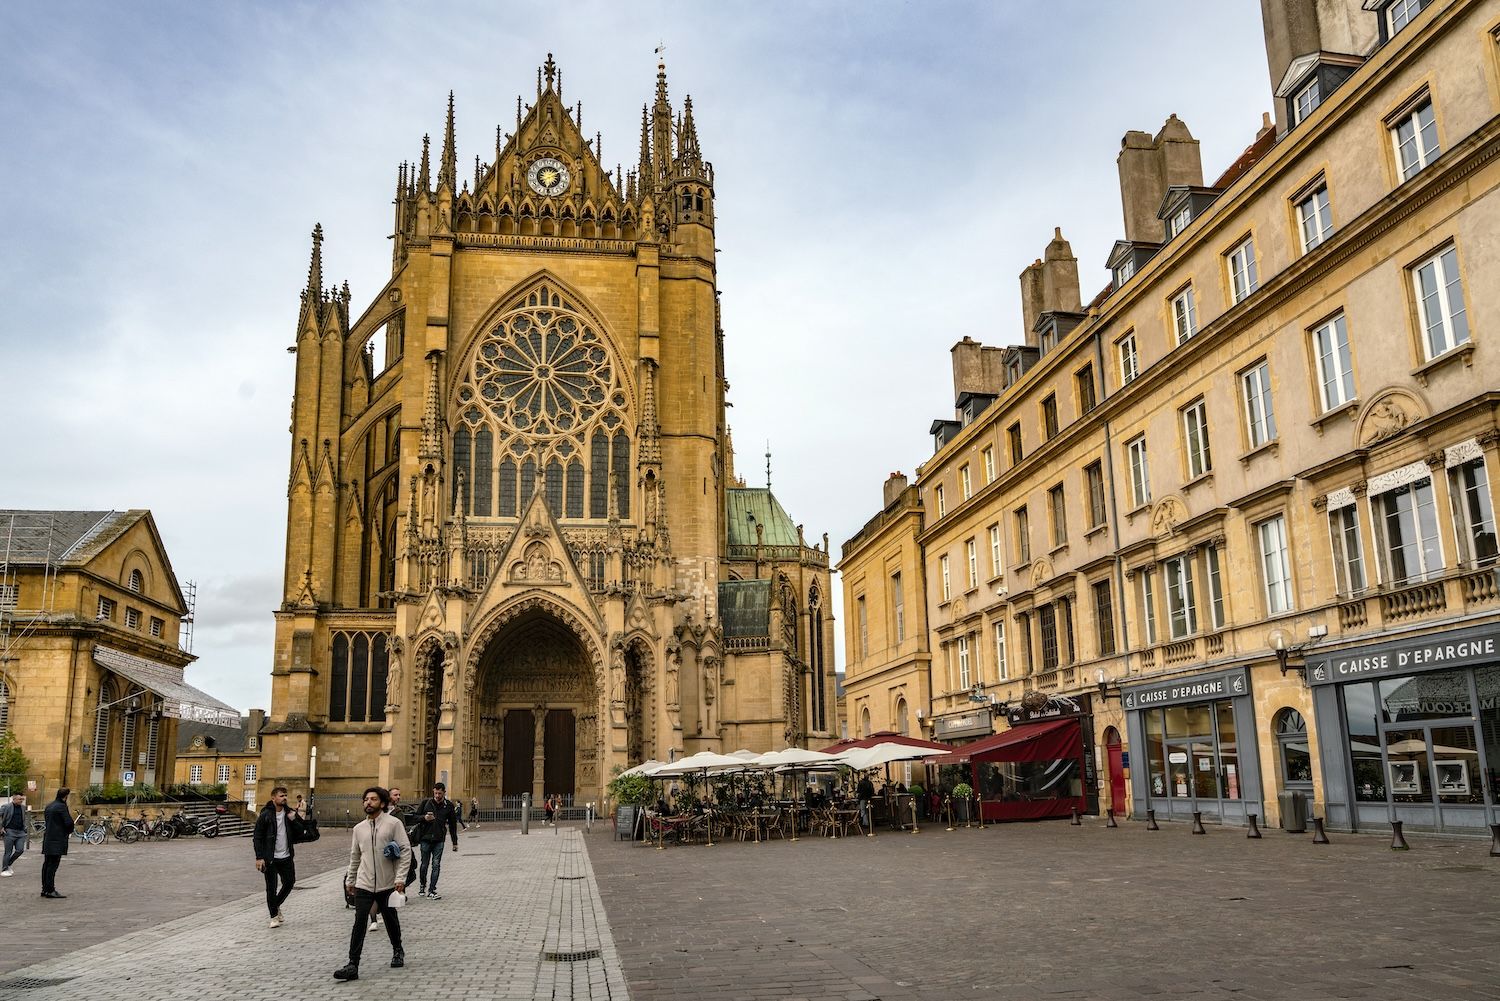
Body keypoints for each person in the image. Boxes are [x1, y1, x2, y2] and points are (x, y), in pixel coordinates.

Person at [334, 786, 410, 981]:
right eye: (366, 799)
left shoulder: (393, 824)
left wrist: (400, 878)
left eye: (373, 799)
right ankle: (353, 964)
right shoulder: (359, 828)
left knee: (391, 919)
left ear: (382, 803)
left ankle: (397, 950)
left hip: (387, 883)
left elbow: (405, 850)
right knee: (359, 923)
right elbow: (355, 856)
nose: (368, 802)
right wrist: (351, 880)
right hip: (364, 883)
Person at [253, 786, 306, 929]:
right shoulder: (265, 815)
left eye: (285, 795)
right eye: (281, 796)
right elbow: (257, 837)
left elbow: (301, 831)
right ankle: (273, 916)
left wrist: (294, 820)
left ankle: (275, 906)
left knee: (289, 882)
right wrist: (259, 857)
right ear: (273, 798)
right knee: (271, 888)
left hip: (286, 856)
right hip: (270, 857)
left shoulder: (289, 813)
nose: (284, 798)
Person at [413, 782, 459, 899]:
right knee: (424, 864)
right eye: (435, 793)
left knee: (436, 864)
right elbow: (415, 817)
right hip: (426, 838)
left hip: (439, 839)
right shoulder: (426, 803)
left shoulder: (448, 805)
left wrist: (455, 843)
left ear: (444, 792)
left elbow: (453, 825)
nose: (437, 795)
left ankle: (432, 890)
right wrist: (424, 818)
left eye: (440, 793)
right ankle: (422, 885)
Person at [41, 787, 74, 899]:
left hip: (48, 838)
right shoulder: (61, 807)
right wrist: (68, 831)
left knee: (46, 864)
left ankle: (45, 889)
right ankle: (50, 889)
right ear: (66, 796)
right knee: (52, 865)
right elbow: (69, 822)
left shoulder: (49, 806)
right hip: (57, 839)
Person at [1, 792, 29, 876]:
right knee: (8, 852)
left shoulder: (23, 807)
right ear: (14, 799)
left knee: (20, 850)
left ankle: (8, 864)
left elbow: (24, 818)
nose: (21, 801)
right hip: (9, 831)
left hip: (20, 832)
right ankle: (4, 869)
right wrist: (1, 827)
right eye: (20, 799)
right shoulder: (6, 807)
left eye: (22, 799)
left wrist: (25, 828)